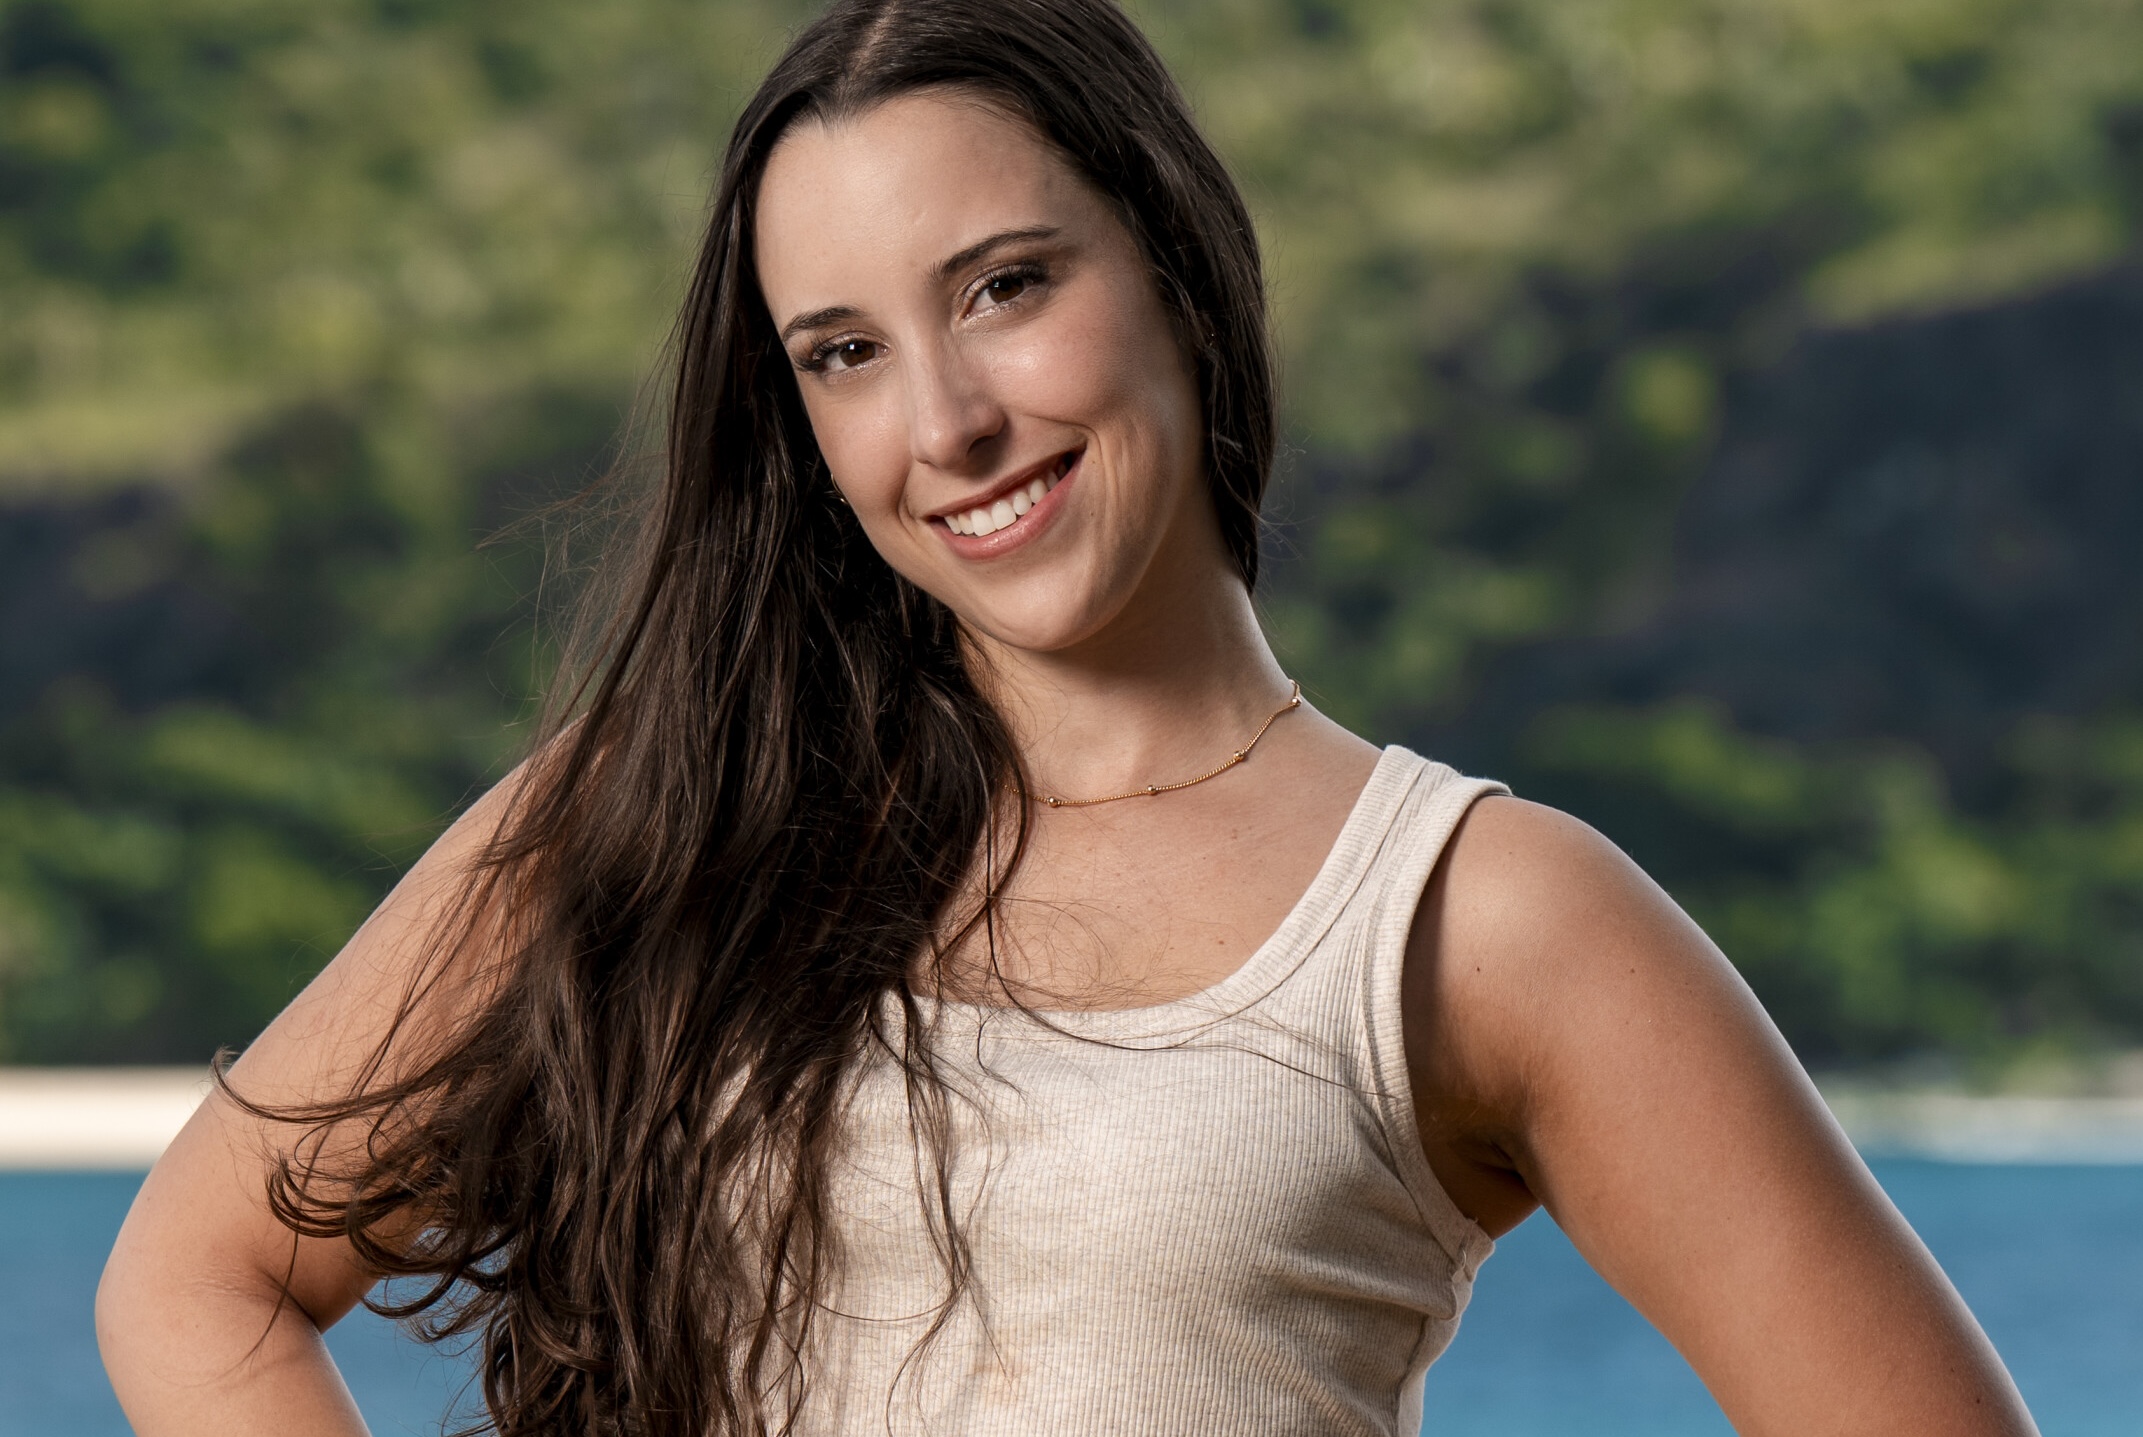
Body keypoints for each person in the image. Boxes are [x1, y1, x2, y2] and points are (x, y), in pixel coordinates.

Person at [97, 1, 2041, 1433]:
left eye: (1006, 286)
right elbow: (199, 1276)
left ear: (1178, 275)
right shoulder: (668, 803)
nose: (944, 423)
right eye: (842, 355)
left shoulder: (1478, 916)